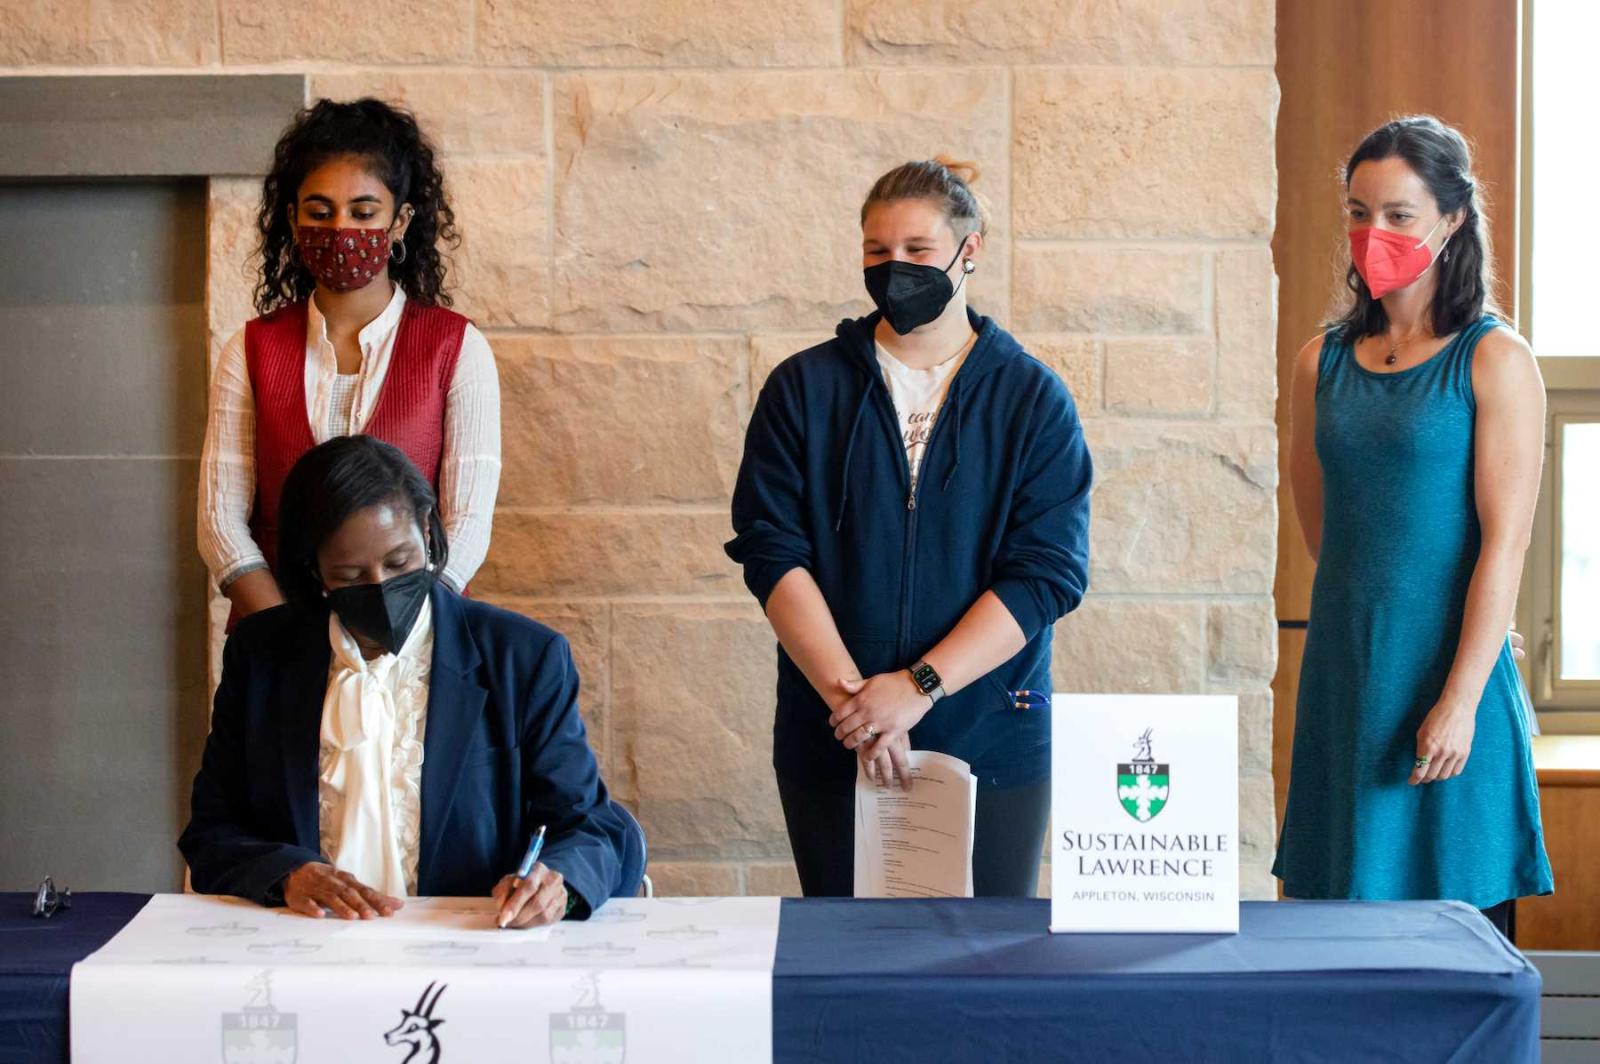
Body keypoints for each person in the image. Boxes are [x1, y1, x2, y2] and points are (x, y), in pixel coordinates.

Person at [726, 158, 1093, 897]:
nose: (895, 269)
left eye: (918, 251)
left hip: (991, 739)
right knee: (848, 978)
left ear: (971, 250)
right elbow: (772, 551)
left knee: (981, 977)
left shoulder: (1031, 398)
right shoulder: (803, 389)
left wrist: (919, 688)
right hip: (835, 736)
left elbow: (1047, 574)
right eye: (876, 252)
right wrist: (856, 706)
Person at [1274, 116, 1553, 936]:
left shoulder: (1495, 360)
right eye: (1359, 212)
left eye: (1399, 214)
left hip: (1450, 682)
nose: (1374, 232)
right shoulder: (1316, 362)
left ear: (1452, 219)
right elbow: (1326, 531)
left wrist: (1462, 698)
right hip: (1346, 677)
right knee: (1330, 932)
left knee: (1455, 940)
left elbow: (1508, 542)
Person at [181, 436, 638, 926]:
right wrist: (287, 875)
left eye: (399, 563)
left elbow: (589, 826)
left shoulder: (521, 657)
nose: (380, 587)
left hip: (467, 948)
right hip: (305, 946)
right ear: (314, 570)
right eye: (351, 575)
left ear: (426, 530)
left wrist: (556, 883)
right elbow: (212, 831)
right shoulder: (263, 655)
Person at [199, 98, 500, 623]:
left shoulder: (455, 349)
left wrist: (401, 629)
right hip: (276, 636)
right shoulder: (250, 350)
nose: (341, 230)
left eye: (363, 213)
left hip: (416, 637)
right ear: (293, 220)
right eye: (320, 212)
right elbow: (219, 520)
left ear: (400, 221)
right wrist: (288, 633)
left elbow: (468, 522)